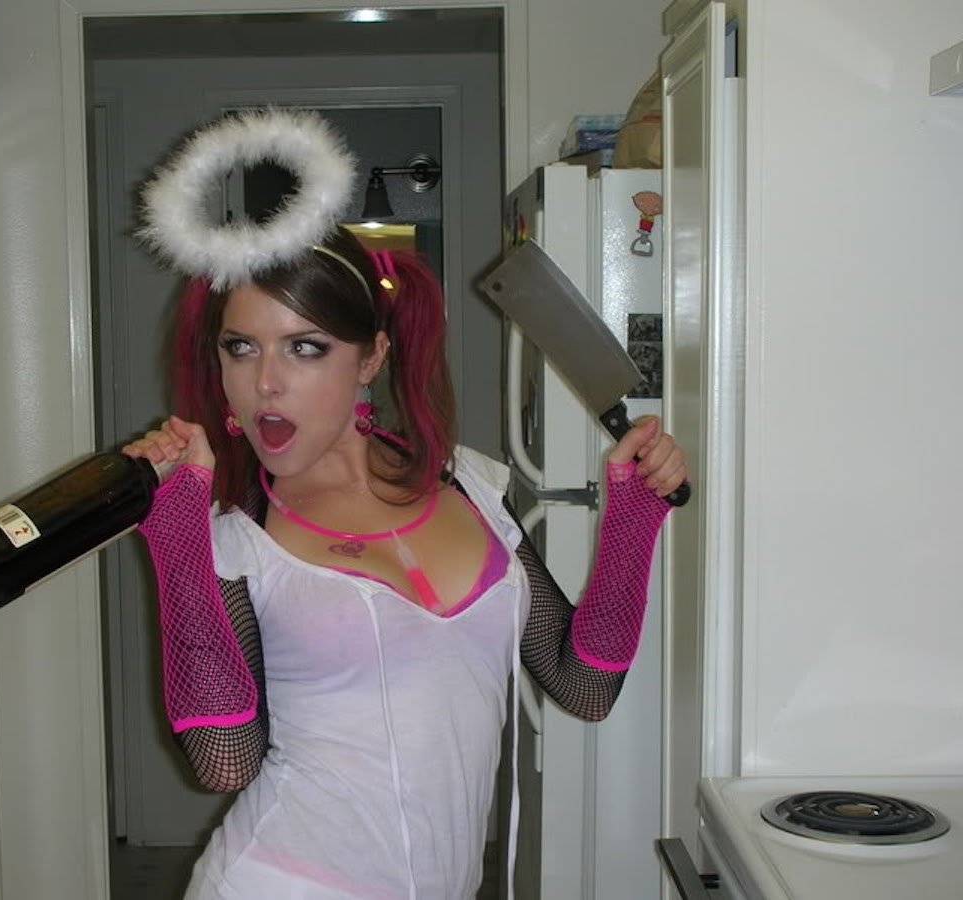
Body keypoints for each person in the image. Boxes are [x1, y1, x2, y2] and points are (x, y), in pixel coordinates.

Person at [121, 108, 687, 900]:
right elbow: (224, 762)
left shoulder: (469, 486)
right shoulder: (239, 535)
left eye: (305, 347)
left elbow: (581, 687)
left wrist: (634, 518)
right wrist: (173, 534)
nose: (266, 383)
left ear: (371, 358)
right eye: (240, 348)